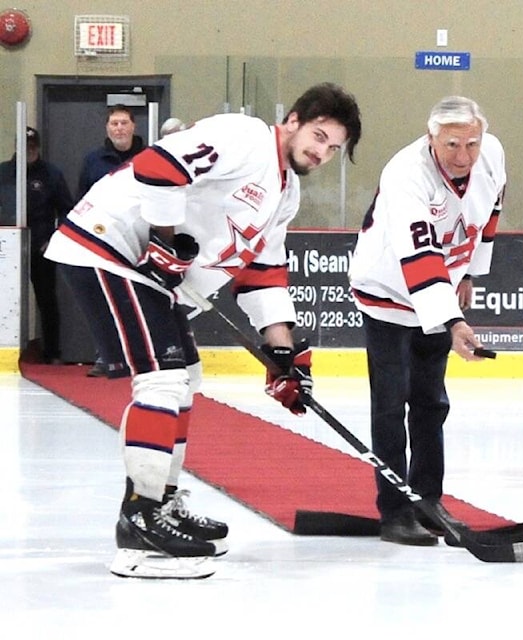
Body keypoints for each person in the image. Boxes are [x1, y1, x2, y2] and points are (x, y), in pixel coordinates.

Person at [44, 83, 362, 578]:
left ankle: (161, 502)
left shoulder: (286, 193)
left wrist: (285, 356)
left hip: (147, 273)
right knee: (163, 380)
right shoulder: (244, 136)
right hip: (107, 247)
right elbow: (158, 167)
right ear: (295, 120)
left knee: (186, 378)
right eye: (319, 136)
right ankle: (140, 521)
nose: (321, 152)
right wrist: (166, 244)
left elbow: (263, 273)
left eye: (333, 148)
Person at [348, 96, 504, 546]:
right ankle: (395, 511)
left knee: (431, 401)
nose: (463, 156)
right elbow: (418, 257)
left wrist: (471, 270)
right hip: (387, 292)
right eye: (452, 144)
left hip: (442, 291)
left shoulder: (490, 154)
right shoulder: (405, 174)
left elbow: (490, 212)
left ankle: (428, 500)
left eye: (471, 143)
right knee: (391, 404)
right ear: (430, 135)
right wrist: (453, 321)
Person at [78, 105, 147, 377]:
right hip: (103, 239)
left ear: (133, 126)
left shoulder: (147, 157)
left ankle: (141, 357)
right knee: (104, 298)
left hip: (138, 240)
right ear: (107, 128)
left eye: (123, 123)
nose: (119, 128)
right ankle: (106, 356)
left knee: (137, 299)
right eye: (114, 123)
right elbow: (82, 197)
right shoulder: (94, 160)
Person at [0, 126, 74, 363]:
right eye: (24, 147)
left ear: (38, 148)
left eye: (32, 148)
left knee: (47, 300)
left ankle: (52, 353)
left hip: (41, 246)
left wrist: (54, 238)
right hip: (7, 247)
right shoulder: (3, 173)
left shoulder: (51, 174)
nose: (28, 152)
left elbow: (66, 210)